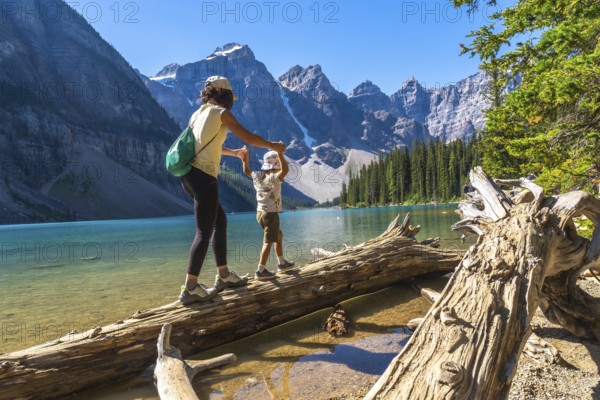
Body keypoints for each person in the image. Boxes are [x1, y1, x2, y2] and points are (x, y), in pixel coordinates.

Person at [179, 76, 286, 304]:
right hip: (204, 177)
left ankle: (224, 275)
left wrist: (235, 153)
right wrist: (273, 146)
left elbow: (206, 145)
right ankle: (190, 288)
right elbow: (248, 136)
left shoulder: (198, 114)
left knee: (220, 222)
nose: (231, 102)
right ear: (224, 94)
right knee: (203, 232)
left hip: (188, 176)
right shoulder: (220, 113)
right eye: (230, 97)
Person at [240, 147, 295, 280]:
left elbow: (247, 171)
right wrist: (281, 154)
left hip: (260, 213)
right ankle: (260, 271)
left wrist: (244, 160)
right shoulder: (275, 177)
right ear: (275, 166)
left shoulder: (257, 175)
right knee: (268, 242)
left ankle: (282, 263)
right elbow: (286, 170)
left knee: (278, 236)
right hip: (270, 214)